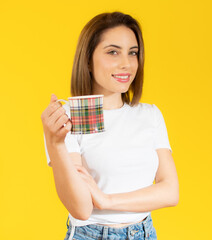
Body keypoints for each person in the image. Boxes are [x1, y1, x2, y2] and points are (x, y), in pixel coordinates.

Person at [41, 11, 179, 240]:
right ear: (88, 59)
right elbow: (82, 208)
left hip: (144, 232)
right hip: (90, 235)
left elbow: (170, 192)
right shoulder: (67, 117)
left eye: (132, 53)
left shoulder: (150, 115)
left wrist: (107, 200)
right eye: (113, 52)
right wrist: (55, 144)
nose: (126, 64)